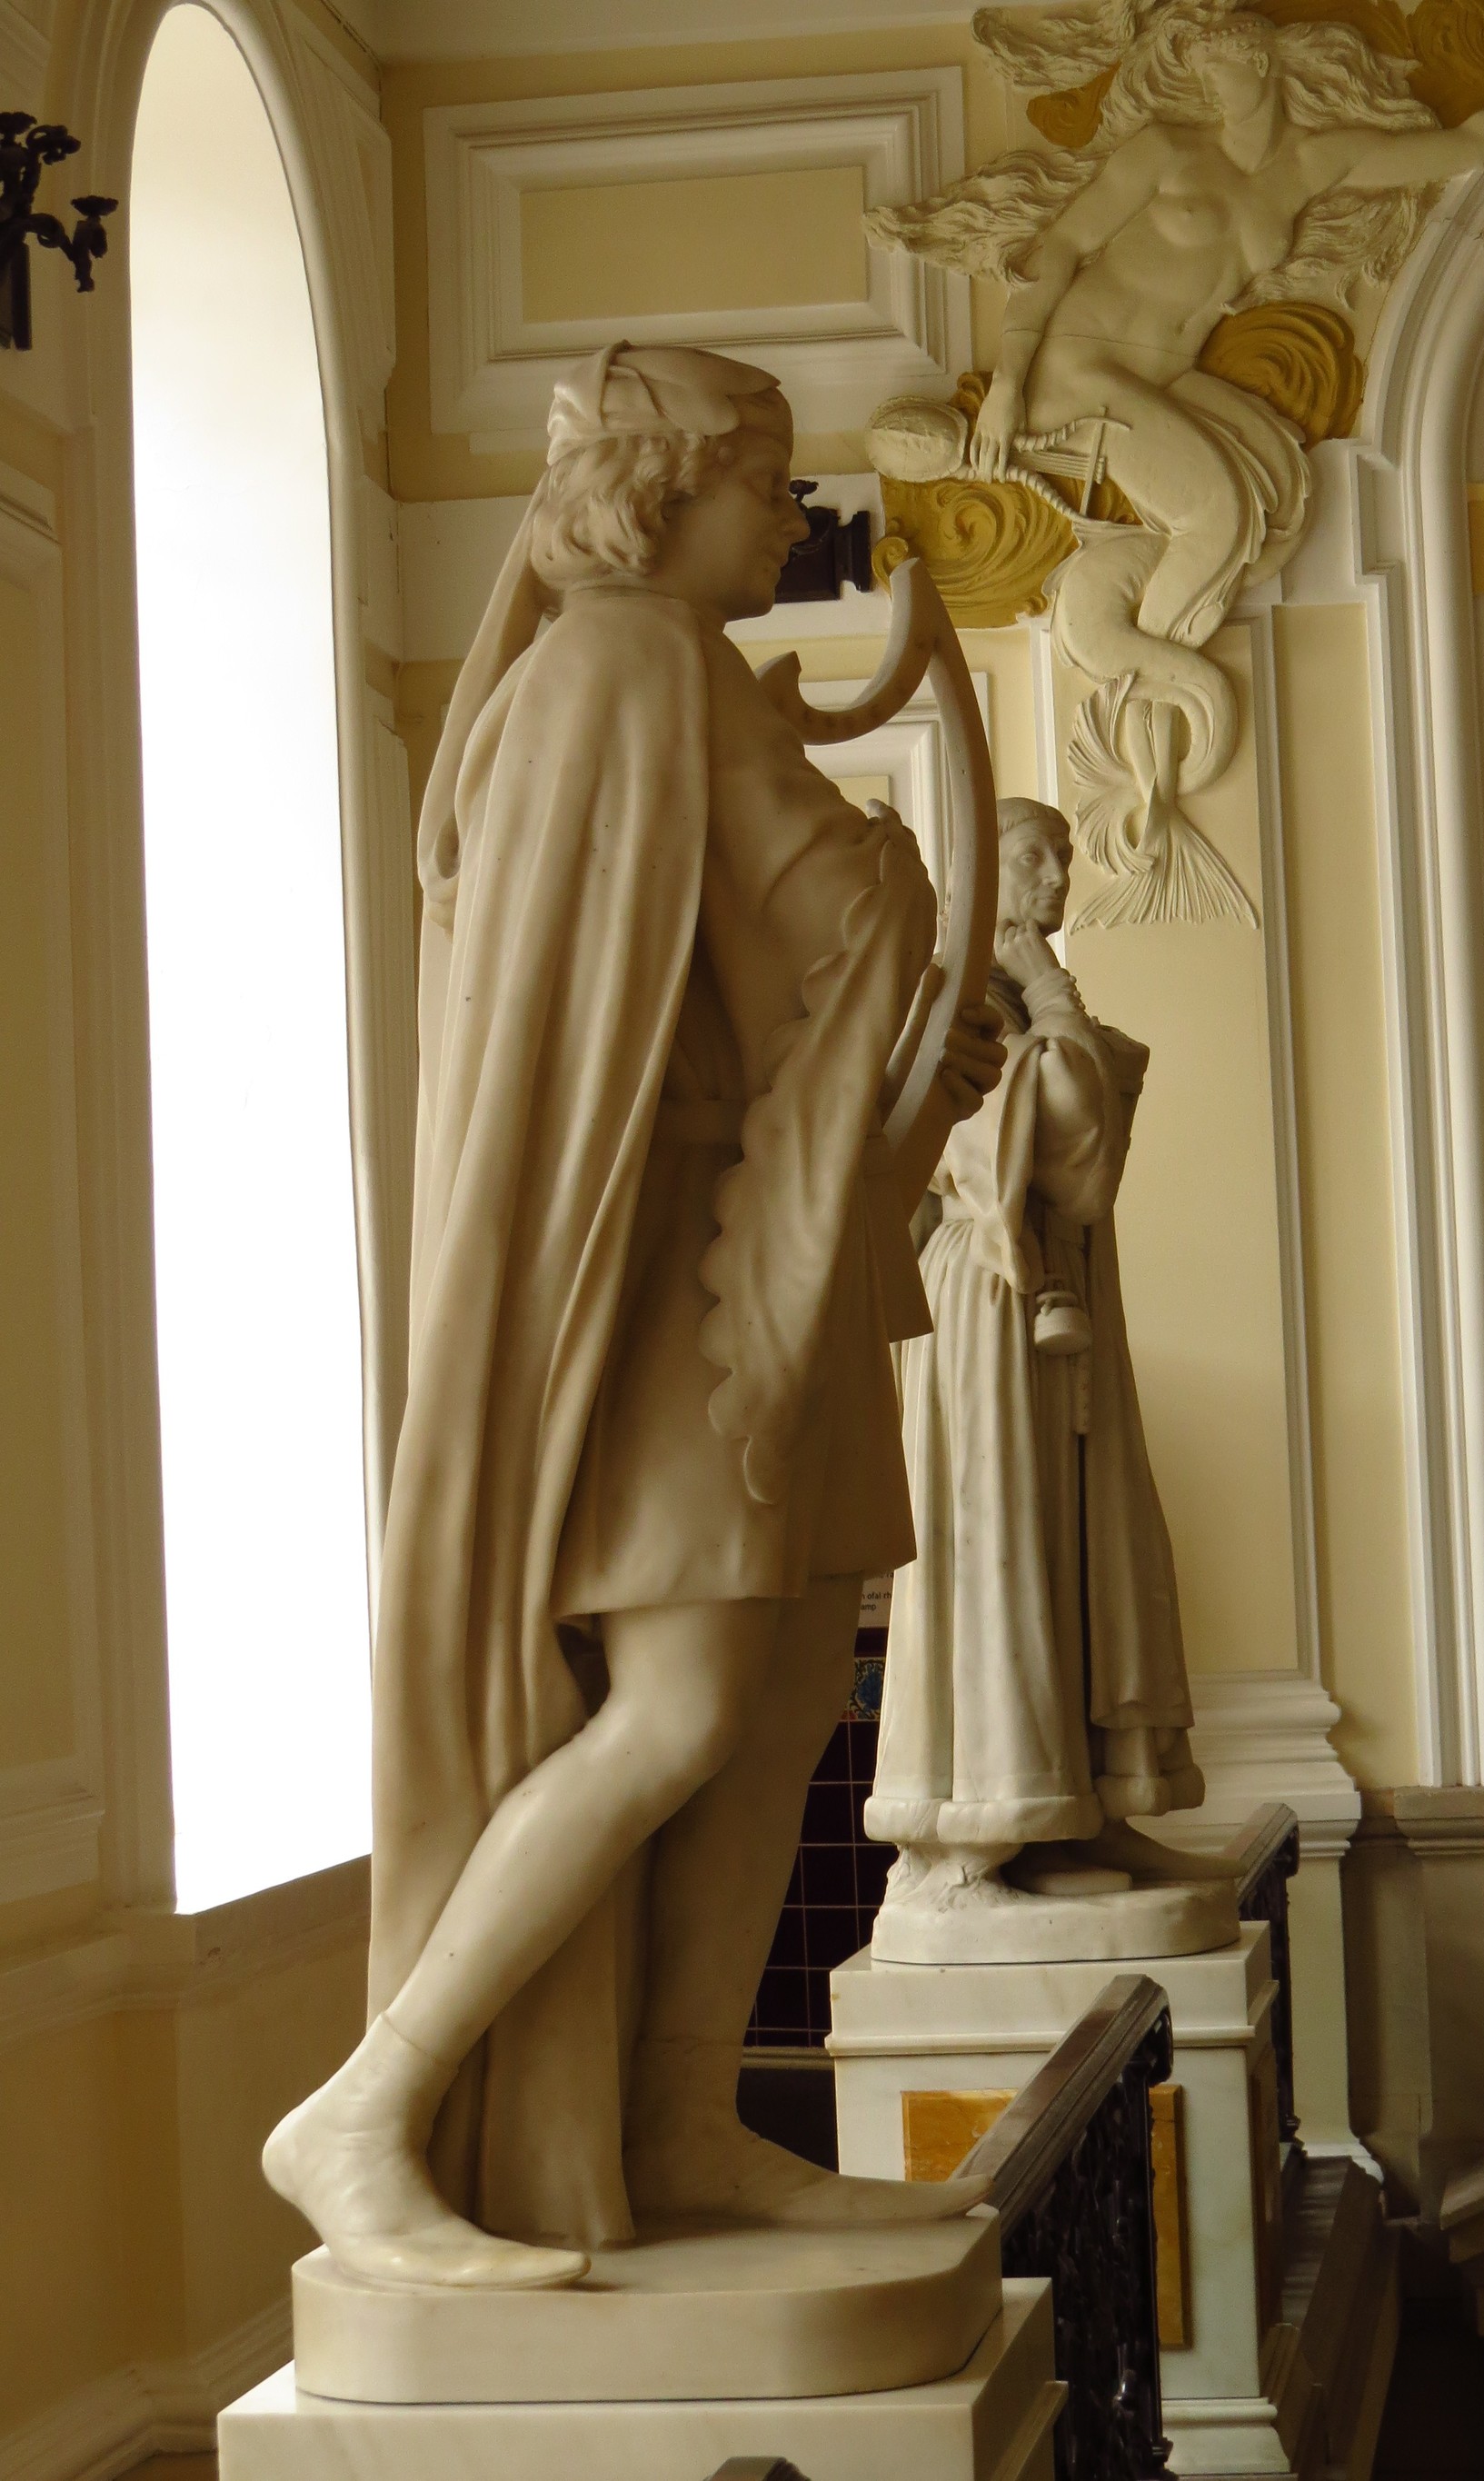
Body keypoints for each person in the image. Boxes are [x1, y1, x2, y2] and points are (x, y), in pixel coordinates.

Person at [262, 343, 1004, 2291]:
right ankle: (368, 2102)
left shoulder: (666, 679)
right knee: (678, 1704)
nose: (792, 518)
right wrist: (903, 909)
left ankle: (679, 2120)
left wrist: (915, 1009)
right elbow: (787, 944)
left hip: (765, 1236)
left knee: (771, 1707)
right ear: (664, 491)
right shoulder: (617, 670)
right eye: (768, 483)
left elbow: (782, 963)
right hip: (672, 1268)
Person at [874, 0, 1484, 918]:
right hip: (1083, 374)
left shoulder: (1308, 166)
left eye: (1241, 64)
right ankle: (1153, 700)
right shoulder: (1165, 152)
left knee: (1271, 490)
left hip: (1163, 381)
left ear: (1271, 67)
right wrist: (1012, 384)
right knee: (1215, 513)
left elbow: (1467, 142)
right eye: (1212, 68)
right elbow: (1053, 252)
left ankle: (1146, 655)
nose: (1228, 83)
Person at [868, 798, 1202, 1915]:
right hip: (987, 1295)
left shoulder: (1011, 998)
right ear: (979, 875)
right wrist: (1058, 1005)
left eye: (1061, 855)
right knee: (996, 1542)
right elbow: (1066, 1142)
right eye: (1030, 857)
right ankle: (970, 1837)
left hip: (1056, 1294)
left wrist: (1056, 1013)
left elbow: (1080, 1135)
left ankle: (1076, 1813)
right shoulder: (945, 1000)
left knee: (1076, 1542)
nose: (1056, 874)